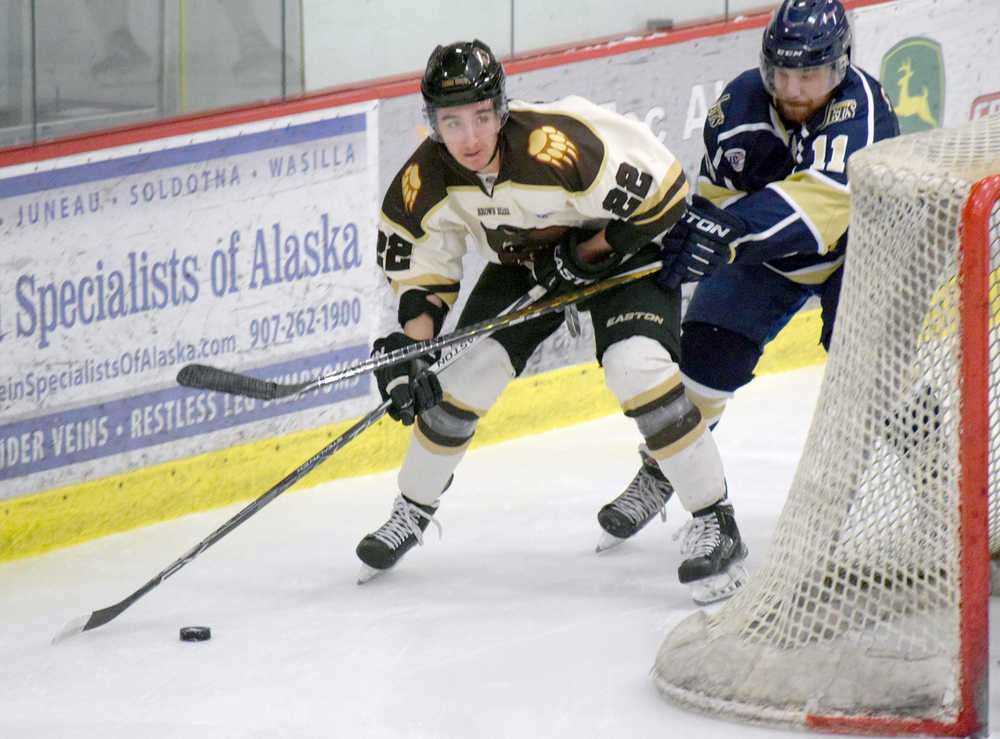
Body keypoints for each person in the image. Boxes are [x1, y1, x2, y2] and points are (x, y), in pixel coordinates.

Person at [357, 39, 747, 604]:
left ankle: (716, 518)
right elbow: (424, 273)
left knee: (635, 368)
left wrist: (587, 253)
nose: (470, 137)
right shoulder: (426, 179)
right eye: (452, 121)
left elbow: (665, 195)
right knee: (457, 382)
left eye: (481, 117)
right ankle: (411, 512)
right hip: (526, 264)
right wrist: (413, 351)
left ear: (501, 108)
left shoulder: (556, 144)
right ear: (433, 122)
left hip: (621, 252)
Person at [668, 0, 899, 433]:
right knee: (705, 358)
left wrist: (730, 230)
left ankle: (931, 466)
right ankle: (664, 476)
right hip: (767, 258)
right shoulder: (737, 109)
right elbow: (719, 205)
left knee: (877, 376)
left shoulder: (864, 111)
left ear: (840, 66)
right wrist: (703, 236)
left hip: (861, 253)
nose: (791, 90)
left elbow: (820, 210)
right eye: (781, 74)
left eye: (807, 75)